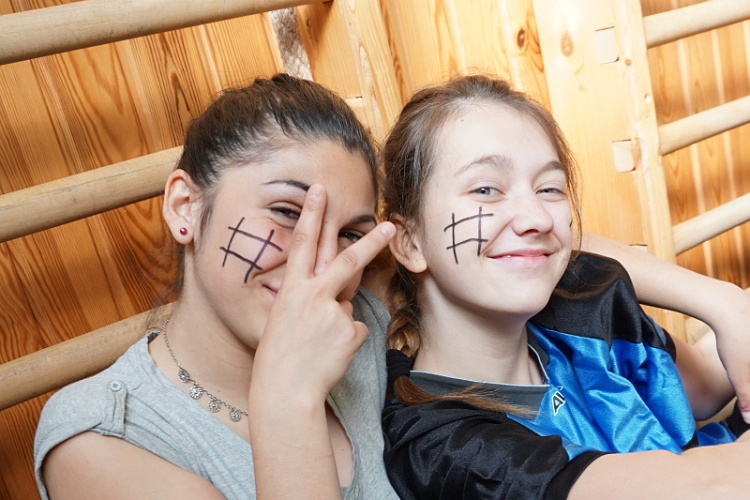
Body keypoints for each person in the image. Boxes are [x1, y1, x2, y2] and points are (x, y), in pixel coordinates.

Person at [32, 72, 750, 500]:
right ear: (186, 207)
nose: (319, 260)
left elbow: (520, 238)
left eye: (350, 233)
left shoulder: (361, 309)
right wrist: (286, 397)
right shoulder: (101, 437)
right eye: (286, 213)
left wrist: (720, 301)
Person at [380, 74, 750, 499]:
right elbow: (715, 488)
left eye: (549, 188)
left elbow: (705, 386)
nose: (536, 217)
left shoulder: (582, 302)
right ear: (409, 242)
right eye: (486, 189)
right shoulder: (444, 448)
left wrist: (724, 302)